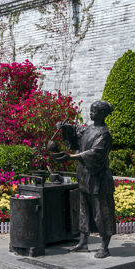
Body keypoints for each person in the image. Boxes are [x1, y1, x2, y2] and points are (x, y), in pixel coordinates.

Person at [54, 101, 116, 258]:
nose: (91, 113)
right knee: (83, 211)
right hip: (84, 177)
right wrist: (64, 127)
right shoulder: (89, 129)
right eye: (91, 110)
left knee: (101, 212)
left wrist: (72, 156)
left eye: (94, 111)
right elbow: (76, 134)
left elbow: (95, 154)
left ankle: (105, 247)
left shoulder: (104, 134)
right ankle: (83, 242)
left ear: (102, 114)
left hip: (99, 180)